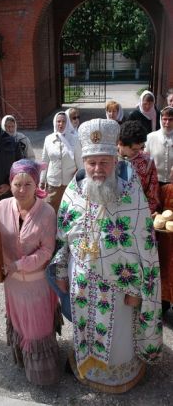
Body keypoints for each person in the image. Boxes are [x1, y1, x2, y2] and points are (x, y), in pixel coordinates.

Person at [50, 119, 162, 393]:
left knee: (119, 338)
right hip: (82, 283)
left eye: (104, 162)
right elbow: (63, 238)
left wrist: (138, 289)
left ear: (115, 159)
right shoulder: (72, 192)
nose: (97, 169)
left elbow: (145, 248)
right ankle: (87, 365)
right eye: (91, 162)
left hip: (120, 287)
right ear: (84, 162)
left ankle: (118, 374)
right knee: (85, 327)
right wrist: (62, 273)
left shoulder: (132, 195)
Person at [0, 159, 61, 385]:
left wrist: (19, 265)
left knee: (37, 328)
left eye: (28, 184)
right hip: (12, 284)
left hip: (36, 284)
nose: (22, 190)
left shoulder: (47, 212)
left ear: (37, 185)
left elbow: (47, 251)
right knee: (21, 324)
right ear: (9, 183)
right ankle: (23, 360)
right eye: (17, 184)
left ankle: (43, 374)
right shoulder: (1, 207)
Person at [40, 111, 83, 213]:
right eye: (58, 121)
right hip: (53, 184)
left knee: (68, 211)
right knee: (51, 211)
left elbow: (80, 163)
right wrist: (41, 180)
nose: (61, 124)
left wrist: (81, 181)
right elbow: (44, 161)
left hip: (70, 184)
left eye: (63, 121)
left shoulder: (75, 139)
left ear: (67, 123)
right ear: (55, 122)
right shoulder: (48, 139)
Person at [118, 120, 160, 214]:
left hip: (139, 213)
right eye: (134, 149)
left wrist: (145, 215)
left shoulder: (147, 161)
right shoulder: (107, 160)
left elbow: (152, 194)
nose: (139, 152)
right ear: (120, 143)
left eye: (141, 147)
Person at [156, 183, 173, 314]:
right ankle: (163, 303)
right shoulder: (165, 189)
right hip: (165, 241)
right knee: (164, 271)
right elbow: (157, 207)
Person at [145, 106, 173, 185]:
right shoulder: (151, 137)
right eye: (165, 119)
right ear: (160, 119)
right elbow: (145, 159)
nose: (167, 123)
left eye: (171, 119)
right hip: (154, 182)